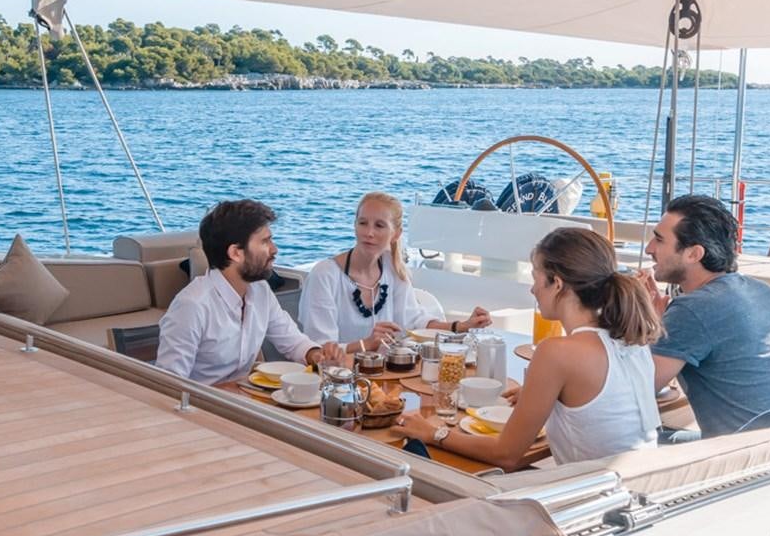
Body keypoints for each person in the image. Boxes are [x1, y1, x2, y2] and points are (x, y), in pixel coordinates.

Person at [395, 227, 663, 469]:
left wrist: (433, 433)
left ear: (557, 283)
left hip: (593, 500)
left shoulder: (556, 352)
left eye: (536, 278)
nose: (532, 290)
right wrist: (539, 392)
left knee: (418, 460)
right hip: (641, 486)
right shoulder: (632, 340)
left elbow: (506, 455)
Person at [639, 194, 770, 437]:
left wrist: (638, 321)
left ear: (694, 254)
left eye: (659, 240)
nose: (649, 248)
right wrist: (663, 326)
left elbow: (637, 393)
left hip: (750, 460)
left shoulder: (693, 309)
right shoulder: (762, 290)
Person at [156, 199, 344, 385]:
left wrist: (317, 355)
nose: (274, 249)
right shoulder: (192, 306)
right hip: (203, 407)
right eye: (265, 241)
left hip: (245, 399)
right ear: (236, 253)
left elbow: (292, 341)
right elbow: (169, 385)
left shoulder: (260, 290)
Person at [300, 192, 491, 354]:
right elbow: (320, 349)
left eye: (379, 225)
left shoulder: (393, 269)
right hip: (338, 380)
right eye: (363, 223)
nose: (369, 232)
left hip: (384, 375)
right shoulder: (324, 275)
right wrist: (366, 344)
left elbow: (416, 324)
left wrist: (462, 326)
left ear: (396, 234)